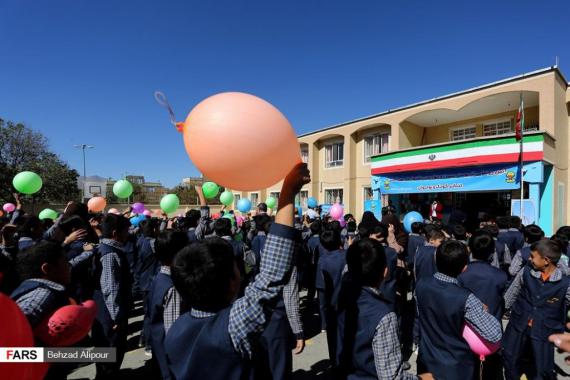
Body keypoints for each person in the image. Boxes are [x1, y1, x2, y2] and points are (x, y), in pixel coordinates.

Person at [164, 163, 310, 380]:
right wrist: (287, 193)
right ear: (232, 282)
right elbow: (272, 274)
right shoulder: (233, 328)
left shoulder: (175, 329)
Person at [415, 240, 502, 379]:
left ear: (435, 260)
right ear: (464, 268)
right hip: (455, 366)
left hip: (426, 359)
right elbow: (494, 334)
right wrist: (483, 310)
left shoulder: (421, 284)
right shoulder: (466, 298)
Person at [503, 239, 570, 380]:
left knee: (542, 367)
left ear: (546, 260)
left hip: (545, 330)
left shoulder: (565, 284)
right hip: (518, 325)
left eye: (533, 256)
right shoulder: (526, 272)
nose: (529, 259)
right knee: (510, 358)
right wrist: (501, 310)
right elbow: (512, 294)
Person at [458, 230, 508, 379]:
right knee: (492, 370)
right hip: (492, 328)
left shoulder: (462, 274)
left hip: (466, 329)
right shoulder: (500, 275)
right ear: (492, 251)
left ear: (470, 249)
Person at [91, 214, 133, 379]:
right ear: (116, 233)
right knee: (111, 352)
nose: (128, 234)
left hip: (102, 310)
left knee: (104, 353)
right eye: (126, 231)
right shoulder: (111, 254)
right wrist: (116, 318)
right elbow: (111, 288)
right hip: (109, 314)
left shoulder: (103, 247)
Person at [148, 230, 189, 380]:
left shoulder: (158, 277)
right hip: (170, 357)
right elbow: (173, 330)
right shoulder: (172, 288)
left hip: (159, 347)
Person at [11, 241, 71, 330]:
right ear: (47, 269)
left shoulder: (34, 287)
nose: (69, 265)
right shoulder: (43, 294)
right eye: (65, 262)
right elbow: (14, 327)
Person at [317, 225, 346, 366]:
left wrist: (323, 317)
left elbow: (321, 289)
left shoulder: (323, 261)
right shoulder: (348, 255)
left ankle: (336, 366)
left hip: (332, 307)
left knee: (334, 342)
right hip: (349, 305)